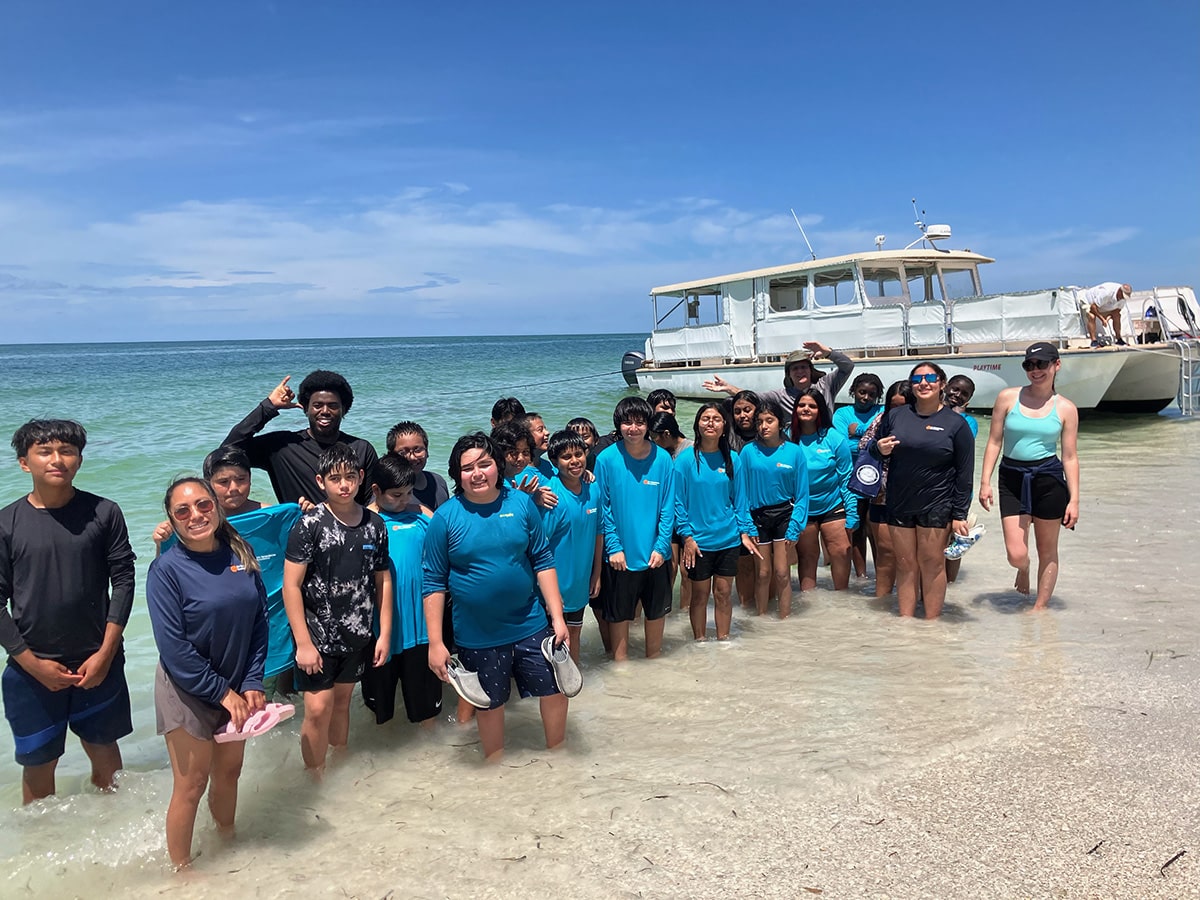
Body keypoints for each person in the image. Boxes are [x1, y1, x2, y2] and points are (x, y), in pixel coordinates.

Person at [0, 420, 136, 804]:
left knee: (105, 753)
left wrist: (105, 654)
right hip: (32, 669)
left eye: (67, 451)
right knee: (40, 763)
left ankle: (112, 831)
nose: (57, 459)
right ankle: (43, 848)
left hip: (98, 660)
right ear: (25, 462)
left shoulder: (104, 513)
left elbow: (123, 581)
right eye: (45, 452)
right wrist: (30, 663)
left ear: (78, 460)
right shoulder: (6, 523)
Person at [422, 433, 571, 760]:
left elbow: (543, 560)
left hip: (531, 624)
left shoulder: (520, 504)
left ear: (497, 466)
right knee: (489, 704)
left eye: (484, 464)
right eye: (467, 468)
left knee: (558, 690)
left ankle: (559, 758)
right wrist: (436, 643)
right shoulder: (446, 518)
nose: (477, 473)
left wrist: (557, 617)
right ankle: (495, 768)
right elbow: (432, 582)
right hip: (478, 636)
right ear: (456, 474)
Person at [146, 477, 269, 868]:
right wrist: (222, 692)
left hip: (234, 684)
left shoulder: (241, 552)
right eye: (183, 511)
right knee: (191, 785)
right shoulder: (165, 570)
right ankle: (182, 874)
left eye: (202, 505)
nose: (195, 515)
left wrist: (250, 681)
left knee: (229, 772)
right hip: (186, 690)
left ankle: (227, 842)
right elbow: (174, 649)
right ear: (172, 519)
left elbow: (260, 623)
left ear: (216, 506)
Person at [282, 443, 392, 775]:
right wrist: (303, 644)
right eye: (334, 479)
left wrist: (384, 633)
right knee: (317, 709)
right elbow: (291, 586)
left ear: (360, 478)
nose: (343, 485)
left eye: (349, 477)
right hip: (316, 637)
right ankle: (314, 775)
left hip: (357, 634)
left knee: (342, 704)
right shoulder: (309, 525)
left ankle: (339, 764)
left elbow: (382, 581)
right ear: (321, 482)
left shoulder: (375, 525)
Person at [979, 342, 1080, 610]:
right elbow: (994, 442)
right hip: (1012, 477)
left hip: (1049, 478)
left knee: (1047, 550)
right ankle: (1023, 569)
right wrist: (984, 482)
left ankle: (1040, 611)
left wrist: (1075, 500)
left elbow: (1070, 456)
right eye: (1029, 365)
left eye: (1041, 364)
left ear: (1056, 365)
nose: (1035, 370)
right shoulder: (1007, 397)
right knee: (1016, 553)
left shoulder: (1066, 408)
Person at [870, 362, 974, 619]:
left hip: (937, 504)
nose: (923, 383)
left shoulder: (956, 424)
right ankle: (906, 625)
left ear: (942, 383)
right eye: (917, 379)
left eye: (930, 378)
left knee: (932, 565)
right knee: (905, 564)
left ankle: (931, 625)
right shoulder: (895, 416)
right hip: (900, 501)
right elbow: (872, 449)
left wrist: (959, 514)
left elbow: (964, 473)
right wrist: (878, 449)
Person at [361, 454, 442, 728]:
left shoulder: (420, 516)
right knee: (379, 711)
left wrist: (418, 505)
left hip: (420, 629)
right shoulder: (363, 522)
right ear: (375, 490)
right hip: (379, 631)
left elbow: (448, 535)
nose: (404, 500)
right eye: (396, 495)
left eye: (409, 493)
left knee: (426, 709)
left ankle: (427, 764)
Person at [593, 397, 675, 661]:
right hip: (619, 558)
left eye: (640, 422)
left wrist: (662, 546)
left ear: (648, 425)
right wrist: (614, 548)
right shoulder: (606, 458)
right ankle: (622, 677)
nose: (633, 428)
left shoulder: (663, 459)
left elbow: (667, 506)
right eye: (627, 422)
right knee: (619, 619)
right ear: (619, 425)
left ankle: (654, 667)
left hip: (655, 555)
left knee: (656, 615)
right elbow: (603, 506)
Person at [221, 371, 378, 506]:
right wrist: (268, 407)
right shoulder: (282, 447)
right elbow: (226, 453)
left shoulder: (361, 449)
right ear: (306, 409)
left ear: (344, 410)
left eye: (333, 405)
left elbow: (372, 501)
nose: (325, 411)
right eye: (317, 405)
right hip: (300, 536)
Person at [674, 403, 758, 640]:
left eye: (716, 419)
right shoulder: (685, 460)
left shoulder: (733, 459)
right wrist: (687, 537)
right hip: (697, 542)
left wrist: (745, 532)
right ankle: (699, 641)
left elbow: (741, 500)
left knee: (723, 593)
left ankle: (724, 640)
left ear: (724, 427)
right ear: (697, 425)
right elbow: (678, 503)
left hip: (728, 538)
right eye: (705, 418)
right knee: (699, 595)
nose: (710, 423)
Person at [738, 399, 808, 618]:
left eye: (770, 421)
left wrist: (795, 526)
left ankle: (784, 621)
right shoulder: (748, 452)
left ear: (781, 423)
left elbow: (803, 494)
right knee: (764, 574)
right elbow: (741, 493)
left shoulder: (795, 452)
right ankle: (761, 621)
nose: (764, 426)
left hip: (785, 515)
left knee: (782, 573)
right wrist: (747, 525)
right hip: (757, 517)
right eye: (759, 422)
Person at [540, 431, 602, 664]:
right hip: (554, 585)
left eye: (578, 454)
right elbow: (540, 547)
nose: (574, 461)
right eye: (566, 457)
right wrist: (548, 592)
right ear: (554, 462)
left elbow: (599, 531)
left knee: (574, 633)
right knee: (553, 639)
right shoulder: (551, 495)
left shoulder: (592, 488)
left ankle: (573, 687)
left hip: (581, 582)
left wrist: (597, 574)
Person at [791, 390, 857, 592]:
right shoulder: (788, 437)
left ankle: (841, 601)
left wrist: (852, 511)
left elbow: (846, 476)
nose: (806, 409)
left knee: (841, 552)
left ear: (820, 410)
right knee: (808, 557)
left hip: (832, 505)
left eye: (812, 406)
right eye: (802, 405)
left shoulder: (834, 438)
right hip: (803, 508)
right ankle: (809, 605)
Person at [703, 341, 855, 420]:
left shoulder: (826, 385)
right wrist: (729, 388)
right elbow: (752, 397)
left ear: (810, 370)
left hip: (825, 440)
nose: (800, 371)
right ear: (788, 374)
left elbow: (847, 366)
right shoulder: (781, 396)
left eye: (803, 367)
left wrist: (828, 352)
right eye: (795, 369)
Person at [858, 381, 911, 598]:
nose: (897, 412)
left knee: (912, 556)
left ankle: (915, 602)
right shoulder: (881, 420)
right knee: (886, 554)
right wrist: (878, 447)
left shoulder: (925, 421)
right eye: (893, 407)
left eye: (903, 407)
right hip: (882, 496)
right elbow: (863, 446)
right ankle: (882, 604)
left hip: (914, 496)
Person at [832, 373, 884, 578]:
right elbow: (843, 445)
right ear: (853, 392)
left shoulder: (883, 410)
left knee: (876, 530)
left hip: (878, 480)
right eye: (862, 392)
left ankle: (882, 575)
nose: (866, 398)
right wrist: (870, 436)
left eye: (872, 394)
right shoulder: (842, 413)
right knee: (856, 529)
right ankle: (861, 577)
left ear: (878, 396)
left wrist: (859, 430)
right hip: (850, 481)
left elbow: (885, 439)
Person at [386, 421, 450, 511]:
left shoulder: (438, 481)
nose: (412, 457)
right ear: (390, 456)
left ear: (427, 451)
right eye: (403, 452)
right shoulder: (387, 491)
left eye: (418, 450)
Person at [1083, 282, 1133, 347]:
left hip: (1103, 306)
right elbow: (1093, 307)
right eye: (1122, 296)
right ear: (1120, 291)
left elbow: (1117, 310)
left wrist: (1108, 318)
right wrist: (1102, 319)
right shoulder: (1106, 293)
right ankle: (1093, 341)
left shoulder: (1123, 299)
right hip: (1089, 302)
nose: (1122, 298)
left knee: (1117, 315)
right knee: (1091, 316)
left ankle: (1119, 339)